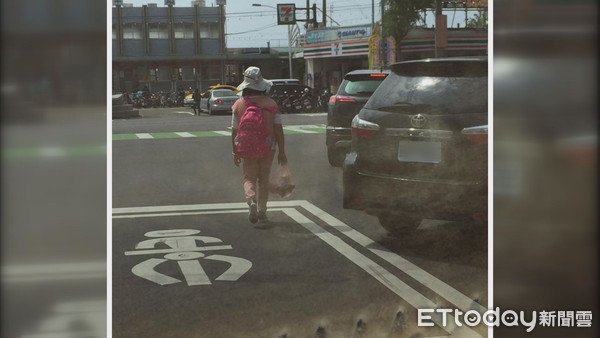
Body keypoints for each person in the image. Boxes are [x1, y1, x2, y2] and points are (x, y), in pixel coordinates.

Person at [231, 66, 287, 224]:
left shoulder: (239, 104)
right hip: (268, 148)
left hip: (247, 147)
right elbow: (279, 130)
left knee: (248, 178)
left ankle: (252, 201)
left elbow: (234, 131)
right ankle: (262, 211)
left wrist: (235, 151)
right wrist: (282, 152)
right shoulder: (271, 104)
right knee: (264, 179)